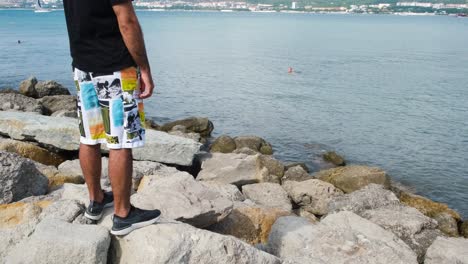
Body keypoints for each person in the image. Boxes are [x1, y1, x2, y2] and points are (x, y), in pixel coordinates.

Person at [63, 0, 160, 236]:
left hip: (83, 66)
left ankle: (96, 200)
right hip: (115, 66)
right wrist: (144, 68)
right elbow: (127, 23)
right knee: (121, 142)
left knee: (89, 136)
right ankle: (123, 214)